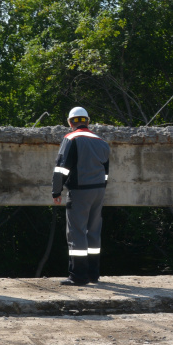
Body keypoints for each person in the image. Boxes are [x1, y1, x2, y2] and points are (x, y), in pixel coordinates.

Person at [51, 106, 110, 286]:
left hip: (79, 190)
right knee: (93, 232)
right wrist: (101, 187)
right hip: (98, 190)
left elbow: (61, 167)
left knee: (76, 232)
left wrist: (56, 191)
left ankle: (78, 276)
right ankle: (93, 274)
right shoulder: (101, 141)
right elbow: (106, 170)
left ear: (70, 123)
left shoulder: (70, 138)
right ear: (87, 121)